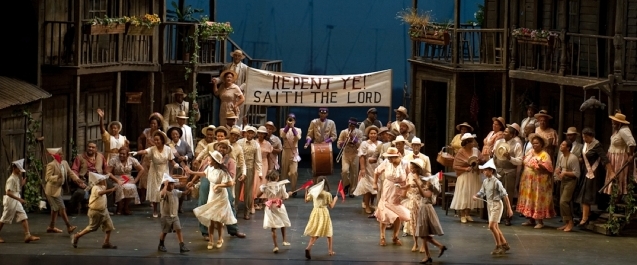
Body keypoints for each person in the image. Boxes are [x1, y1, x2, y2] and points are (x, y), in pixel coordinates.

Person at [193, 151, 237, 250]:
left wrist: (219, 185)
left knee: (218, 219)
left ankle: (220, 238)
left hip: (221, 196)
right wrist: (192, 172)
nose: (208, 160)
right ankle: (211, 240)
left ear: (215, 161)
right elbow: (204, 173)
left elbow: (230, 183)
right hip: (212, 195)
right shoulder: (210, 168)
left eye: (210, 159)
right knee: (211, 219)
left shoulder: (223, 172)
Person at [407, 159, 446, 264]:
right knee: (423, 235)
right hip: (423, 209)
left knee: (423, 234)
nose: (426, 183)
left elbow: (424, 195)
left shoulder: (430, 191)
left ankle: (430, 254)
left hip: (427, 210)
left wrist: (417, 182)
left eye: (428, 182)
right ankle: (438, 248)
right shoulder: (426, 186)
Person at [473, 158, 513, 255]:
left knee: (491, 226)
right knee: (495, 226)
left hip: (496, 205)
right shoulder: (485, 182)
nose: (484, 172)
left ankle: (498, 246)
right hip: (490, 205)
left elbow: (505, 195)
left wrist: (509, 208)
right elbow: (482, 192)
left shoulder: (496, 182)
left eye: (486, 170)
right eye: (483, 170)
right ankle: (504, 244)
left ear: (491, 171)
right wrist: (476, 195)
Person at [134, 131, 179, 218]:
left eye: (158, 140)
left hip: (164, 171)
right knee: (155, 190)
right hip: (154, 171)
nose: (156, 142)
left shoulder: (168, 149)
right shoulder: (152, 149)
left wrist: (175, 164)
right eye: (155, 140)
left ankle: (165, 210)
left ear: (162, 140)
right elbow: (144, 151)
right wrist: (137, 152)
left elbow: (171, 160)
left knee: (165, 190)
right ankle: (155, 210)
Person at [373, 147, 410, 247]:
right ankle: (382, 236)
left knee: (398, 215)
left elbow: (410, 177)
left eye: (391, 157)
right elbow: (376, 171)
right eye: (388, 157)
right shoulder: (386, 163)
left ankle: (395, 236)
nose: (389, 159)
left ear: (397, 156)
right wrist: (375, 183)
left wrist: (406, 190)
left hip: (400, 190)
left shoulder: (405, 164)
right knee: (384, 213)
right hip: (388, 189)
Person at [576, 128, 613, 226]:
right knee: (584, 193)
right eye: (583, 137)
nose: (584, 139)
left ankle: (585, 218)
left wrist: (611, 172)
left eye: (586, 137)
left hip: (593, 173)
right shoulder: (586, 145)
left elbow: (605, 159)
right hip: (586, 171)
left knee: (587, 194)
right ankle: (587, 215)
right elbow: (583, 156)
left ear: (591, 136)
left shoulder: (597, 145)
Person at [517, 135, 555, 228]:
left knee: (537, 199)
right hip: (528, 180)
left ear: (541, 144)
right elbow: (524, 162)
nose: (535, 145)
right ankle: (531, 219)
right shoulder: (530, 152)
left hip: (539, 181)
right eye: (533, 143)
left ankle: (540, 221)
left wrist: (540, 165)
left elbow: (549, 168)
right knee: (529, 199)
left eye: (537, 143)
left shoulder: (545, 155)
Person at [71, 172, 117, 249]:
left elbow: (104, 187)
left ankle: (106, 242)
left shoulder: (101, 186)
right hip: (96, 211)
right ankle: (77, 236)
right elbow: (101, 193)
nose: (103, 181)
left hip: (103, 210)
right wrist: (111, 189)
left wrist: (105, 177)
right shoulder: (95, 187)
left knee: (109, 226)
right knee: (92, 227)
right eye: (101, 179)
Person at [0, 159, 40, 243]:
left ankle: (27, 235)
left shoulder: (16, 178)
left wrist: (22, 184)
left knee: (23, 216)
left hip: (16, 201)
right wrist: (19, 199)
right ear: (14, 168)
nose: (20, 171)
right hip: (11, 201)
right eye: (19, 169)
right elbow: (8, 192)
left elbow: (16, 189)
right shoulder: (11, 179)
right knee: (4, 219)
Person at [44, 148, 82, 233]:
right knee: (62, 207)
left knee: (55, 208)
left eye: (62, 154)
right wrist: (57, 176)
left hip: (58, 188)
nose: (61, 155)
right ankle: (69, 226)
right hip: (52, 190)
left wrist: (77, 179)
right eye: (59, 154)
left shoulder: (64, 163)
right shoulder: (51, 165)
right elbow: (47, 178)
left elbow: (70, 172)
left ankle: (51, 226)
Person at [71, 142, 116, 214]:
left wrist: (108, 176)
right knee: (80, 192)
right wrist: (78, 181)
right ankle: (71, 208)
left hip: (99, 179)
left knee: (110, 185)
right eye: (89, 147)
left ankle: (108, 208)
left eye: (93, 147)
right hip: (85, 179)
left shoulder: (100, 156)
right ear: (86, 148)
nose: (90, 149)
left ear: (96, 149)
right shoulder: (79, 157)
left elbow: (105, 169)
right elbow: (74, 170)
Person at [449, 133, 484, 223]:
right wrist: (465, 168)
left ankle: (468, 214)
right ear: (466, 143)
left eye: (473, 142)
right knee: (464, 194)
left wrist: (478, 163)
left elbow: (482, 159)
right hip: (464, 176)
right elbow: (455, 165)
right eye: (471, 142)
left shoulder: (476, 151)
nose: (473, 143)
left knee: (471, 194)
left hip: (473, 175)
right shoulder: (461, 152)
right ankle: (462, 215)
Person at [493, 124, 523, 226]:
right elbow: (494, 155)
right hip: (499, 170)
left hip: (510, 171)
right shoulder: (498, 142)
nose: (504, 134)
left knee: (507, 194)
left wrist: (510, 158)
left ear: (512, 135)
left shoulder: (517, 144)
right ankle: (498, 215)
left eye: (506, 132)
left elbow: (519, 161)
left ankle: (507, 216)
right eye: (504, 132)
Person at [256, 171, 293, 253]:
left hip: (270, 207)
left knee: (273, 227)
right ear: (277, 178)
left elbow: (257, 195)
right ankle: (284, 240)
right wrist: (289, 194)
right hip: (279, 206)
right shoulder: (281, 186)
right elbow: (285, 196)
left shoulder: (265, 187)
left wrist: (265, 194)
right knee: (283, 222)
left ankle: (276, 246)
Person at [303, 176, 338, 259]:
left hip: (315, 212)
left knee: (316, 232)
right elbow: (331, 206)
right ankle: (330, 250)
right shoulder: (327, 194)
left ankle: (309, 247)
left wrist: (306, 191)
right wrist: (335, 199)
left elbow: (306, 200)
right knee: (329, 232)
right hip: (324, 213)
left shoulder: (313, 192)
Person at [604, 111, 636, 195]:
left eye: (614, 121)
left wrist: (630, 155)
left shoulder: (624, 130)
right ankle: (613, 200)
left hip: (620, 157)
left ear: (619, 122)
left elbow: (632, 143)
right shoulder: (617, 130)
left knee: (618, 178)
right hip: (614, 156)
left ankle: (617, 198)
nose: (612, 123)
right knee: (613, 178)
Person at [105, 147, 144, 215]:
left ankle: (126, 207)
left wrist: (135, 180)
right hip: (117, 178)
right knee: (120, 187)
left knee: (132, 187)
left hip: (128, 178)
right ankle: (120, 207)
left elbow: (141, 169)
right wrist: (117, 180)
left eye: (123, 154)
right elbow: (107, 172)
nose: (121, 155)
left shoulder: (132, 160)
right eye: (120, 153)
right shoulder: (114, 160)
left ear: (127, 155)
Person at [157, 174, 190, 253]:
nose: (172, 186)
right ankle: (161, 244)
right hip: (166, 216)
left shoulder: (175, 192)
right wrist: (165, 185)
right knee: (165, 231)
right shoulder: (163, 192)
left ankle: (182, 245)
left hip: (174, 215)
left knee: (178, 229)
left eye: (172, 184)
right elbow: (162, 194)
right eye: (170, 184)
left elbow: (184, 193)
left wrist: (189, 189)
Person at [554, 140, 581, 232]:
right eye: (561, 144)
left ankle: (570, 222)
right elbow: (560, 168)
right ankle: (566, 222)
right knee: (561, 202)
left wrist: (565, 173)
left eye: (563, 145)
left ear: (568, 148)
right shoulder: (562, 156)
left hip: (571, 181)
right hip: (563, 180)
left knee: (564, 201)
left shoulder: (573, 158)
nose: (561, 146)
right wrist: (559, 171)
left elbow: (577, 173)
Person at [353, 126, 381, 215]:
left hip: (378, 167)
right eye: (371, 133)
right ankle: (367, 205)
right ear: (368, 134)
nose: (373, 135)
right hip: (368, 167)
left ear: (377, 135)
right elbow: (362, 156)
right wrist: (362, 168)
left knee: (376, 187)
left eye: (375, 133)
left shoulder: (380, 143)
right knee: (367, 187)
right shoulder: (365, 143)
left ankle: (373, 204)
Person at [137, 112, 165, 203]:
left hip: (155, 157)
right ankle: (143, 196)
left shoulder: (160, 134)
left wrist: (152, 143)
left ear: (158, 125)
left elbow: (161, 146)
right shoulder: (147, 131)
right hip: (146, 156)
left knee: (154, 178)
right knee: (143, 176)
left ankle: (153, 199)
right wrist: (140, 145)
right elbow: (140, 138)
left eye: (155, 124)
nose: (153, 125)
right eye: (151, 123)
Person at [237, 126, 263, 219]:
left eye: (252, 133)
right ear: (245, 133)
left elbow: (258, 159)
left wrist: (260, 172)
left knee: (248, 191)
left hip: (250, 168)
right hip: (239, 168)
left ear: (254, 134)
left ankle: (246, 211)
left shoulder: (256, 144)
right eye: (248, 132)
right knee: (236, 189)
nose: (250, 134)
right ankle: (235, 209)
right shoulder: (239, 142)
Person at [337, 117, 363, 196]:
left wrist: (353, 138)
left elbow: (360, 145)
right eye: (350, 124)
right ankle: (346, 184)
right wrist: (344, 142)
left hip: (355, 154)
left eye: (353, 125)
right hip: (346, 154)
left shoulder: (359, 132)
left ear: (355, 125)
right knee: (345, 171)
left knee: (354, 174)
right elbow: (338, 145)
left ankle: (352, 191)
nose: (351, 126)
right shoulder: (343, 132)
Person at [281, 114, 302, 196]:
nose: (291, 121)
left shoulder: (298, 130)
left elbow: (298, 137)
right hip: (286, 151)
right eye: (289, 119)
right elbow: (282, 135)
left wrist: (292, 127)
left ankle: (293, 189)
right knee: (284, 172)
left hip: (294, 152)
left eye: (292, 119)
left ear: (295, 121)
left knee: (294, 172)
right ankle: (283, 190)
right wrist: (287, 127)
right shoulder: (282, 129)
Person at [255, 126, 274, 210]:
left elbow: (269, 156)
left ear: (265, 134)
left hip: (264, 162)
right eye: (259, 133)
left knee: (263, 181)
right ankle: (255, 199)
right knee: (256, 181)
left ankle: (261, 200)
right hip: (256, 163)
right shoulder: (254, 142)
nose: (260, 135)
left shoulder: (268, 144)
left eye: (262, 133)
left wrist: (270, 168)